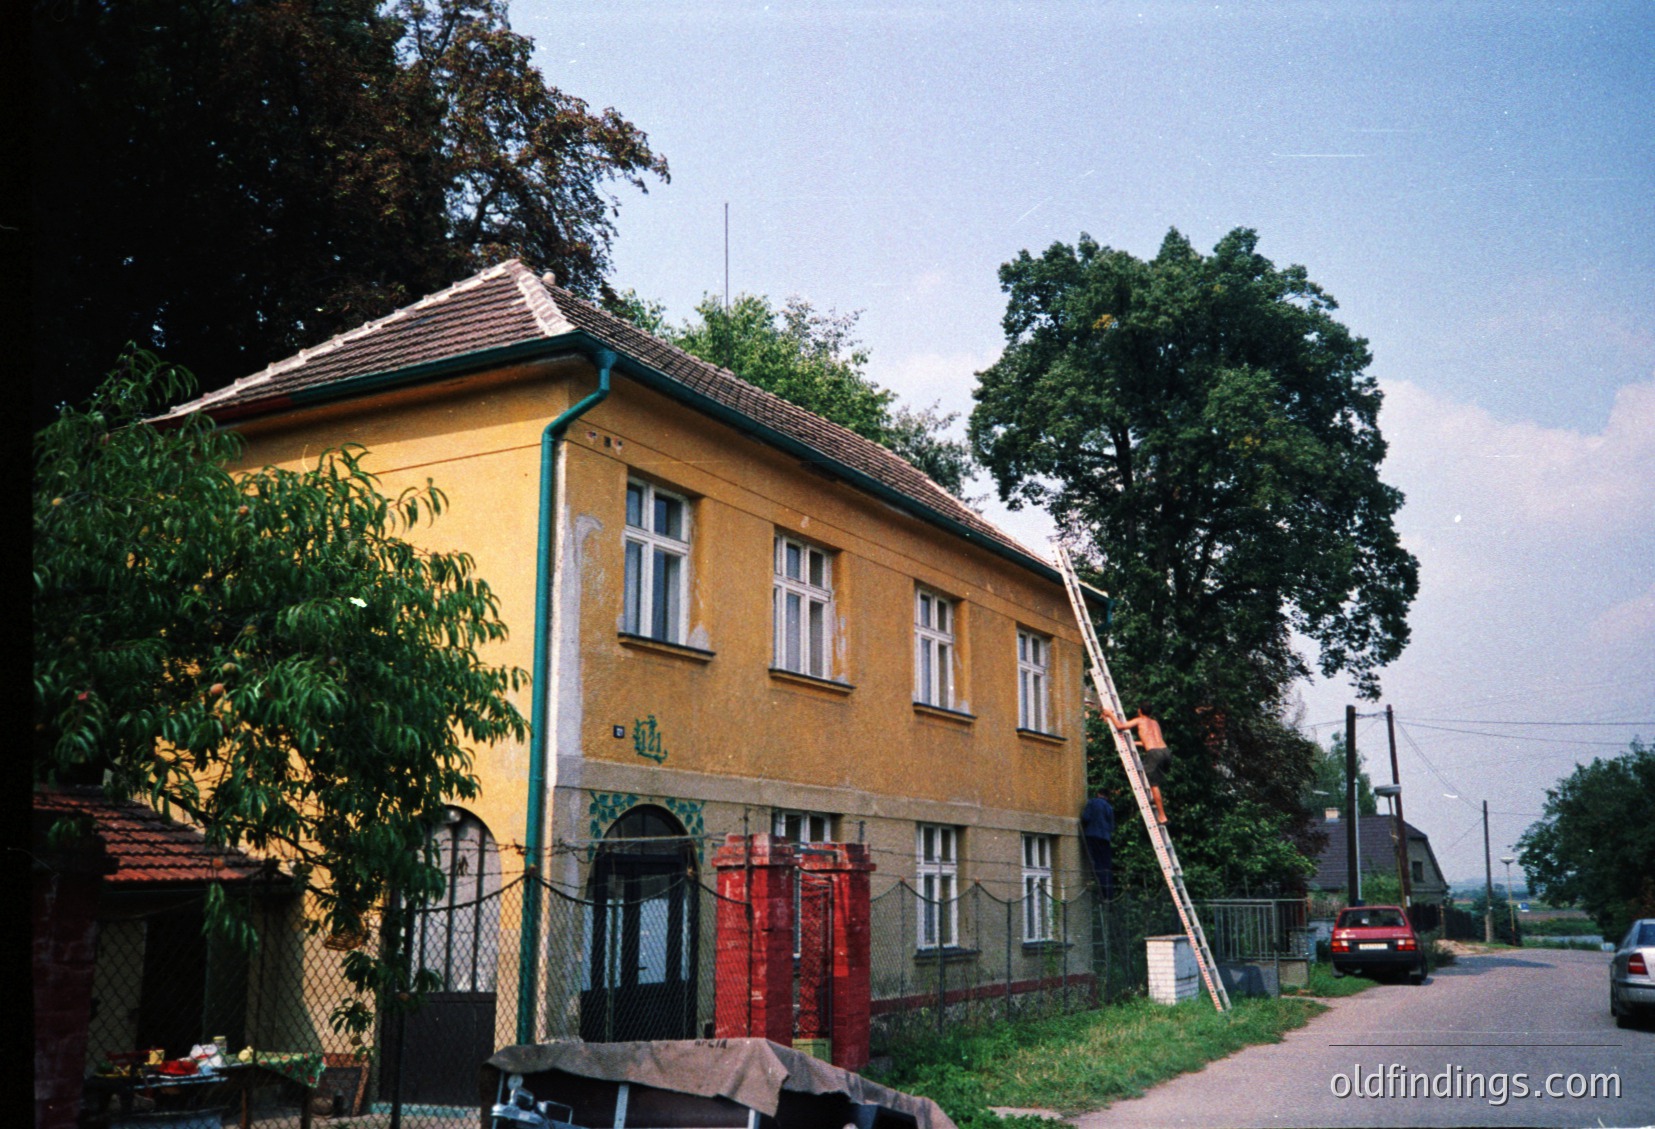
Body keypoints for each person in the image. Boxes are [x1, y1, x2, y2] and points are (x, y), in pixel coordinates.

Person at [1099, 704, 1171, 825]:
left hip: (1154, 754)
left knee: (1154, 784)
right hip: (1166, 752)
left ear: (1140, 711)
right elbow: (1148, 741)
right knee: (1151, 777)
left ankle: (1162, 816)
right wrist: (1132, 743)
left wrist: (1110, 714)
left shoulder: (1140, 720)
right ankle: (1155, 800)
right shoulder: (1155, 723)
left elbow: (1120, 726)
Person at [1080, 789, 1116, 900]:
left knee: (1097, 863)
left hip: (1093, 835)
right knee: (1106, 865)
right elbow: (1112, 826)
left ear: (1098, 794)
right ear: (1107, 797)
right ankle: (1109, 893)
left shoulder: (1092, 803)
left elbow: (1085, 817)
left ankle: (1102, 889)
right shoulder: (1109, 807)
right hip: (1105, 838)